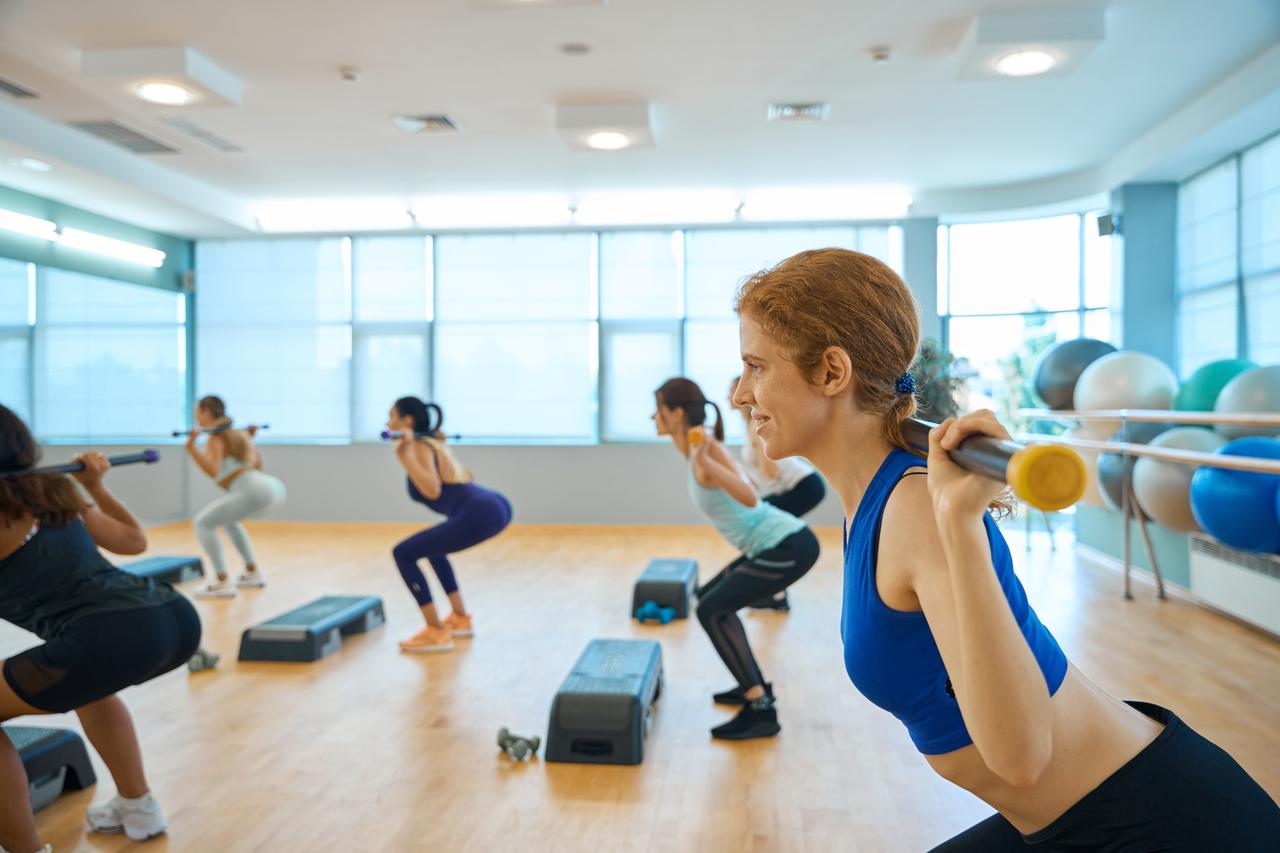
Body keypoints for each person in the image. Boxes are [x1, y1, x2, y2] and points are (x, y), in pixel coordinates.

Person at [731, 247, 1280, 849]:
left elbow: (1020, 759)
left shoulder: (917, 507)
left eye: (756, 367)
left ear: (832, 373)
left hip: (1164, 824)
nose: (740, 394)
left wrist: (961, 522)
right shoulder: (875, 496)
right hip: (1076, 814)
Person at [0, 405, 201, 852]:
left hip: (107, 634)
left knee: (85, 670)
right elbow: (133, 540)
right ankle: (137, 807)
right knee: (90, 687)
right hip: (171, 616)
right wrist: (94, 487)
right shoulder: (51, 489)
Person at [653, 378, 819, 740]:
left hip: (788, 546)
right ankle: (751, 683)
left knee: (711, 609)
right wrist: (707, 458)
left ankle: (760, 706)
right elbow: (750, 481)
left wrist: (709, 466)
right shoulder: (702, 445)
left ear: (676, 413)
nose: (653, 417)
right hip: (777, 543)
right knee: (707, 599)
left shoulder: (703, 452)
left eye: (659, 409)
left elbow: (748, 495)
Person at [388, 397, 512, 653]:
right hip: (496, 505)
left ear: (407, 421)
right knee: (433, 550)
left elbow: (432, 490)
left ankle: (435, 631)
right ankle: (459, 618)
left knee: (403, 553)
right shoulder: (433, 444)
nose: (387, 423)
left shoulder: (420, 447)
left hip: (480, 511)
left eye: (392, 417)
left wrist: (403, 454)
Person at [728, 374, 827, 612]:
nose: (730, 396)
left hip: (805, 486)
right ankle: (774, 596)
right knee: (772, 536)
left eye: (732, 390)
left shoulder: (756, 425)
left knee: (771, 535)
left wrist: (762, 506)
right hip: (798, 486)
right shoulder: (750, 424)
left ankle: (774, 596)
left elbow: (771, 473)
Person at [184, 395, 286, 598]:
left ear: (206, 412)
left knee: (202, 523)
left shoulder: (217, 437)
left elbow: (213, 471)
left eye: (197, 411)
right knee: (230, 522)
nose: (195, 415)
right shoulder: (236, 435)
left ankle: (221, 581)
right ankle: (252, 572)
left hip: (251, 489)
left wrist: (191, 447)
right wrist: (250, 438)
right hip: (270, 488)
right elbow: (256, 464)